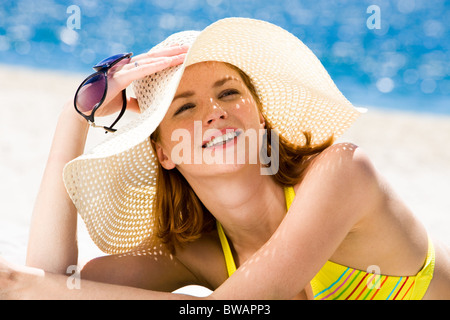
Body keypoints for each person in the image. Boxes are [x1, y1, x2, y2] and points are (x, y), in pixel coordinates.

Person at [1, 18, 449, 300]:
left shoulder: (343, 171)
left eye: (228, 92)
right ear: (164, 153)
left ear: (259, 115)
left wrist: (27, 286)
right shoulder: (195, 253)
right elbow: (54, 284)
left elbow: (34, 286)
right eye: (185, 107)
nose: (213, 111)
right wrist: (73, 117)